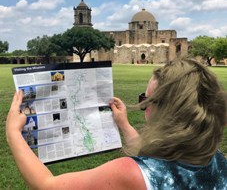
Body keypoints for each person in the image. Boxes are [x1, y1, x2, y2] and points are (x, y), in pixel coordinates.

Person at [6, 58, 227, 189]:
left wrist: (13, 133)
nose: (143, 107)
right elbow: (158, 160)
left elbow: (47, 185)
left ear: (167, 110)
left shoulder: (126, 173)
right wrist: (124, 125)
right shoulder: (215, 158)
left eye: (146, 100)